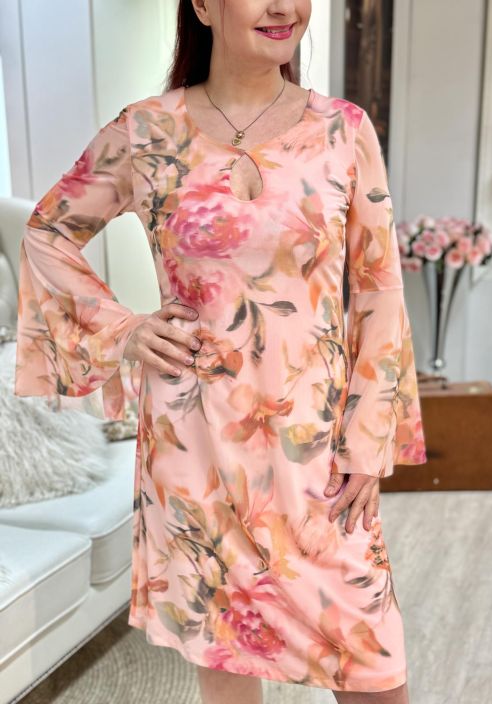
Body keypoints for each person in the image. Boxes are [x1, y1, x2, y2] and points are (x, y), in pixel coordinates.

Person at [14, 0, 427, 702]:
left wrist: (368, 437)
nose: (284, 7)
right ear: (203, 5)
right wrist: (124, 328)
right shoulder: (146, 130)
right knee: (226, 650)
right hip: (193, 444)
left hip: (314, 449)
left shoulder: (342, 130)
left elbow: (378, 290)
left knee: (373, 662)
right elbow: (47, 232)